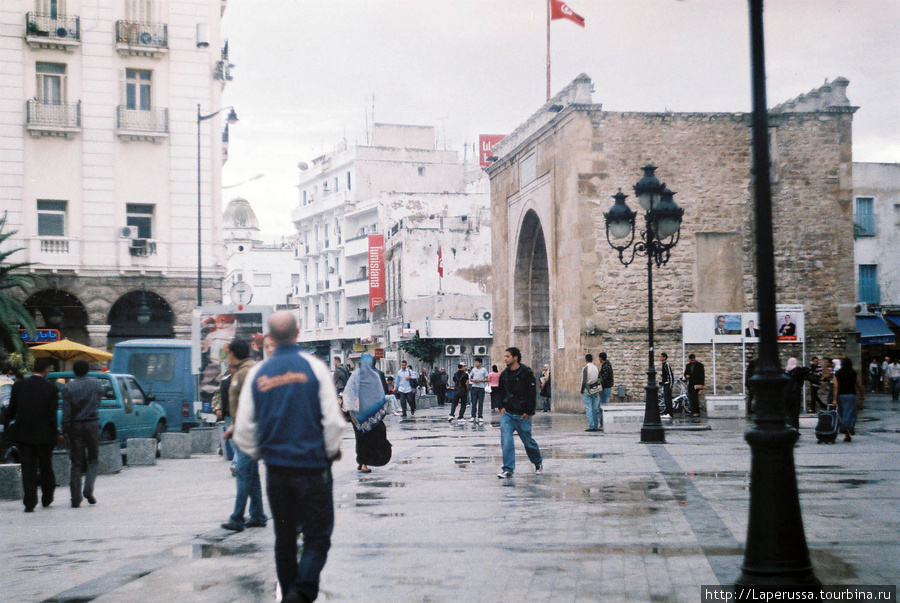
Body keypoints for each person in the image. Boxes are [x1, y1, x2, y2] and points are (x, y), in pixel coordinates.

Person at [233, 310, 348, 603]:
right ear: (298, 334)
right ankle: (301, 592)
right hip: (312, 468)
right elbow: (334, 422)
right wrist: (330, 451)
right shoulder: (315, 367)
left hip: (277, 470)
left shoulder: (259, 374)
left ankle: (289, 592)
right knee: (317, 537)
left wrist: (263, 452)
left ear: (271, 338)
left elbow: (244, 428)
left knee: (284, 540)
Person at [3, 358, 61, 512]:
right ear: (46, 370)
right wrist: (56, 432)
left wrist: (8, 421)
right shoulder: (51, 389)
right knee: (46, 465)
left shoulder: (19, 386)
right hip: (45, 434)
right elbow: (52, 415)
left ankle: (30, 500)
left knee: (28, 467)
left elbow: (11, 410)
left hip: (24, 433)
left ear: (33, 368)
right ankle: (47, 496)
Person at [221, 338, 267, 532]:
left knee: (242, 472)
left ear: (232, 353)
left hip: (249, 430)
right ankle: (257, 514)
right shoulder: (242, 371)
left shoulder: (247, 372)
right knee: (251, 474)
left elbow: (253, 402)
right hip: (244, 428)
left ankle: (237, 517)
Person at [496, 347, 542, 478]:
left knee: (528, 442)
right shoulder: (504, 375)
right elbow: (499, 392)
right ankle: (508, 469)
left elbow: (532, 393)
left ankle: (538, 462)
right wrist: (501, 407)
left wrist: (529, 411)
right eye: (504, 356)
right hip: (508, 414)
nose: (505, 359)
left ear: (515, 357)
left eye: (507, 356)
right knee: (507, 440)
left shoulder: (526, 373)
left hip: (523, 414)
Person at [62, 360, 102, 508]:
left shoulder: (68, 387)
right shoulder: (96, 383)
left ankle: (75, 498)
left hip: (75, 425)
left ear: (74, 371)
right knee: (93, 459)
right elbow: (99, 402)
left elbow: (66, 411)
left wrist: (64, 428)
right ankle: (88, 490)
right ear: (87, 370)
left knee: (76, 462)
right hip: (92, 423)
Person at [343, 354, 391, 474]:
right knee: (362, 438)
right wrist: (351, 408)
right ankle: (363, 463)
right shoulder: (356, 376)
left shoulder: (374, 376)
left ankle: (362, 461)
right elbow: (349, 391)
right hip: (358, 414)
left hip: (370, 414)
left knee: (365, 438)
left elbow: (379, 394)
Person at [833, 357, 863, 442]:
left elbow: (835, 387)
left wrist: (834, 399)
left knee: (842, 413)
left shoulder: (837, 373)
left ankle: (844, 428)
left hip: (841, 395)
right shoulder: (854, 373)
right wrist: (862, 394)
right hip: (851, 394)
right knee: (851, 413)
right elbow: (859, 384)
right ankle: (848, 429)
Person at [783, 358, 816, 429]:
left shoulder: (785, 372)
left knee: (788, 411)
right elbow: (807, 370)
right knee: (795, 412)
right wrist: (799, 367)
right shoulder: (798, 371)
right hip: (795, 393)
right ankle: (795, 427)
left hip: (786, 394)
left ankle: (788, 426)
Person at [580, 354, 601, 432]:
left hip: (587, 390)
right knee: (594, 408)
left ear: (586, 359)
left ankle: (591, 425)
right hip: (595, 389)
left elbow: (584, 380)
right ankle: (596, 425)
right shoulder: (596, 368)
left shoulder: (585, 368)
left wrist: (581, 389)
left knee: (588, 408)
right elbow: (598, 378)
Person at [468, 357, 489, 423]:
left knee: (480, 403)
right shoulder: (473, 370)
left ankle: (480, 416)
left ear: (480, 363)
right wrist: (473, 380)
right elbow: (470, 377)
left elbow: (487, 379)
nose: (476, 363)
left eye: (477, 362)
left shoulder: (484, 370)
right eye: (475, 362)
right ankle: (473, 416)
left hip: (481, 388)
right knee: (473, 402)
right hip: (474, 387)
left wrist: (480, 380)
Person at [597, 352, 614, 427]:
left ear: (600, 358)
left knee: (602, 406)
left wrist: (599, 385)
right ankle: (603, 423)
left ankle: (603, 424)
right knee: (604, 404)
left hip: (604, 388)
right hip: (607, 387)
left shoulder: (605, 366)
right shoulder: (608, 365)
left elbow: (604, 379)